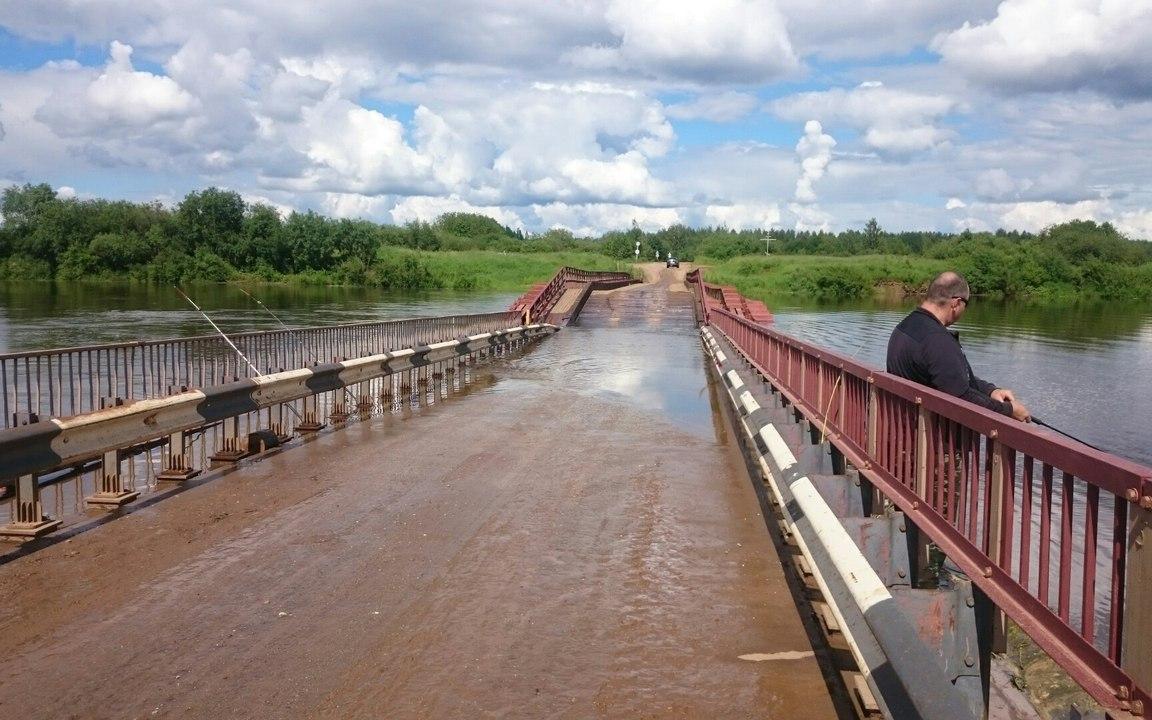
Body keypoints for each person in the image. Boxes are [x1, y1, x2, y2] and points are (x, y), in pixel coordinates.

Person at [887, 271, 1031, 422]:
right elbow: (962, 399)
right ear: (956, 303)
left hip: (902, 426)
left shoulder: (904, 326)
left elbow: (951, 378)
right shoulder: (938, 340)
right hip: (928, 433)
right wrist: (1009, 410)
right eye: (966, 305)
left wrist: (990, 391)